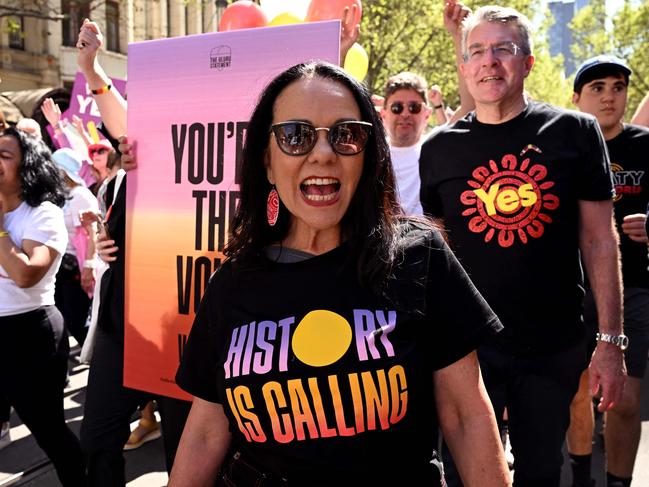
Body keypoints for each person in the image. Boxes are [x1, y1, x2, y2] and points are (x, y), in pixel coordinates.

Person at [168, 61, 511, 487]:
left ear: (368, 157)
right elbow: (204, 432)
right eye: (295, 136)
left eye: (347, 134)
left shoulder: (419, 257)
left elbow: (467, 416)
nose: (324, 153)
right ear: (268, 163)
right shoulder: (231, 283)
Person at [419, 6, 626, 487]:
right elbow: (437, 254)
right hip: (467, 350)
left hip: (551, 344)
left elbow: (600, 239)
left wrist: (611, 343)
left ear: (528, 62)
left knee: (538, 472)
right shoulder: (438, 148)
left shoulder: (575, 132)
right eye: (477, 52)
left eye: (503, 49)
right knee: (468, 472)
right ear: (464, 68)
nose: (489, 62)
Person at [566, 55, 649, 487]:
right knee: (578, 390)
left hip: (633, 286)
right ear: (576, 98)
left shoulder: (645, 144)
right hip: (571, 286)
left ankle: (618, 481)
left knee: (626, 400)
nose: (609, 96)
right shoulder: (564, 146)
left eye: (618, 87)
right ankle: (581, 474)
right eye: (597, 88)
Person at [0, 127, 85, 487]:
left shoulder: (43, 214)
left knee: (48, 430)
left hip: (29, 334)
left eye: (4, 155)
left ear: (27, 166)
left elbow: (24, 273)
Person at [52, 147, 99, 347]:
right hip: (61, 267)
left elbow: (92, 233)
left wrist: (89, 267)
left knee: (77, 318)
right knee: (63, 315)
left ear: (63, 170)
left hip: (76, 268)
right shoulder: (60, 194)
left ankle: (97, 358)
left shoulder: (81, 195)